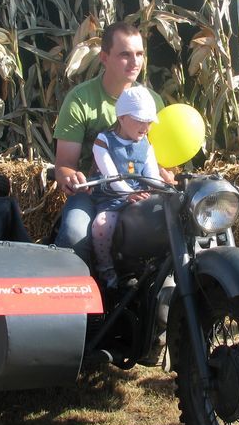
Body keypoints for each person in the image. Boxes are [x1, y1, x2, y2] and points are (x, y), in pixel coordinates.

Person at [53, 22, 167, 264]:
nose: (134, 62)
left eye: (139, 54)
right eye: (124, 54)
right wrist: (71, 179)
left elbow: (158, 158)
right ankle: (80, 296)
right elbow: (64, 165)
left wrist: (166, 175)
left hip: (140, 189)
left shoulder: (152, 101)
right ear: (104, 58)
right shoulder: (80, 99)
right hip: (94, 192)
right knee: (75, 234)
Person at [90, 86, 161, 289]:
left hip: (140, 198)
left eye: (149, 121)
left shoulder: (146, 143)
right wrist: (128, 193)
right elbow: (111, 176)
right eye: (140, 120)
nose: (145, 126)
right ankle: (106, 270)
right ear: (121, 118)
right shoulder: (104, 142)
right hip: (113, 199)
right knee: (102, 226)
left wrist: (165, 189)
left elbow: (152, 176)